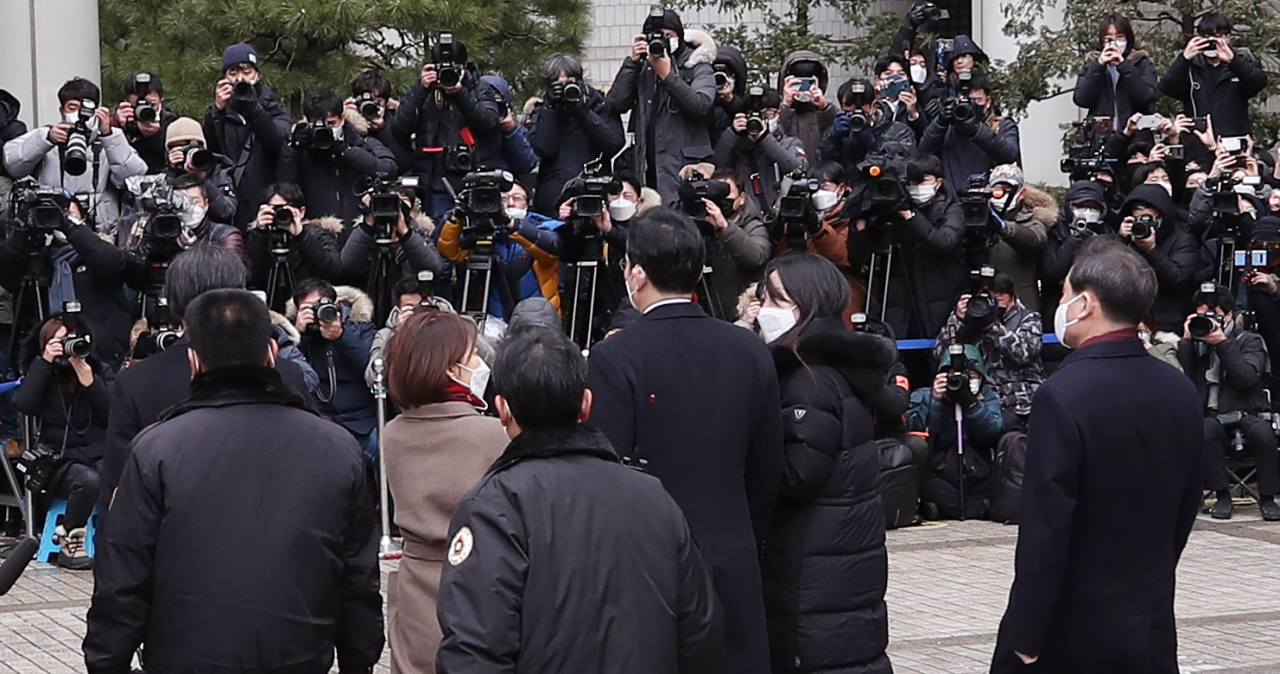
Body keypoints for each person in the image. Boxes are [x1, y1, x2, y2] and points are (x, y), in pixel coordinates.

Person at [84, 289, 383, 674]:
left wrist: (107, 662)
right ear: (272, 355)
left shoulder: (156, 448)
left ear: (194, 362)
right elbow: (358, 579)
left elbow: (121, 580)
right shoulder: (339, 448)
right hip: (300, 656)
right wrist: (360, 662)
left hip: (182, 659)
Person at [437, 327, 726, 673]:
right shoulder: (653, 496)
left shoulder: (495, 507)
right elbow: (701, 634)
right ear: (586, 404)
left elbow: (473, 652)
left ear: (504, 410)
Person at [991, 237, 1202, 672]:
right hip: (1148, 619)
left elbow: (1045, 529)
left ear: (1086, 304)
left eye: (1065, 293)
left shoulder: (1062, 394)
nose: (1061, 302)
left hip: (1072, 628)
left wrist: (1026, 631)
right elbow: (1187, 503)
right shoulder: (1179, 387)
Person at [587, 207, 783, 674]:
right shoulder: (749, 349)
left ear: (636, 273)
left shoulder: (614, 357)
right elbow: (767, 466)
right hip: (733, 548)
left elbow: (606, 474)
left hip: (647, 563)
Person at [96, 246, 313, 536]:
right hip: (277, 540)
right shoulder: (285, 373)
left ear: (173, 301)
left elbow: (117, 492)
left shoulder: (138, 382)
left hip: (172, 548)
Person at [757, 253, 893, 673]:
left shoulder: (807, 382)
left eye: (777, 299)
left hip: (810, 578)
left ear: (809, 304)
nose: (764, 310)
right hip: (840, 571)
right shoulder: (841, 374)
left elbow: (797, 475)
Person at [381, 308, 507, 674]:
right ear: (453, 369)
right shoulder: (493, 436)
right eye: (472, 356)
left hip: (414, 590)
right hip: (478, 589)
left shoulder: (393, 434)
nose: (481, 363)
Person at [13, 314, 109, 570]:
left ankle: (117, 544)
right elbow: (23, 404)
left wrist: (91, 384)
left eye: (71, 340)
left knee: (119, 476)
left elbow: (113, 415)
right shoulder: (43, 373)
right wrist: (45, 362)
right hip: (59, 460)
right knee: (87, 481)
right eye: (59, 341)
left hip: (97, 453)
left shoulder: (97, 370)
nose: (67, 346)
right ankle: (69, 543)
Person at [1176, 286, 1279, 521]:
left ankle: (1268, 498)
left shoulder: (1250, 340)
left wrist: (1223, 343)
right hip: (1213, 417)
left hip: (1248, 414)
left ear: (1230, 315)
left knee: (1265, 434)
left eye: (1214, 317)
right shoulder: (1197, 344)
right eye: (1202, 317)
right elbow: (1185, 383)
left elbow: (1246, 378)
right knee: (1205, 431)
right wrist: (1185, 341)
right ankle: (1222, 495)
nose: (1208, 323)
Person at [0, 196, 137, 369]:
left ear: (84, 221)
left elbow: (115, 262)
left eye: (68, 214)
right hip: (50, 356)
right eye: (54, 216)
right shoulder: (39, 261)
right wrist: (20, 234)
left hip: (102, 355)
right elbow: (6, 273)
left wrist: (69, 227)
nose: (59, 219)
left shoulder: (100, 253)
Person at [3, 77, 148, 236]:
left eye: (85, 108)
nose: (79, 114)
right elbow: (13, 163)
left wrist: (108, 135)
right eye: (72, 107)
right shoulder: (47, 136)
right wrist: (46, 139)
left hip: (101, 234)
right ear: (62, 110)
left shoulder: (109, 139)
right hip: (51, 231)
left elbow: (133, 179)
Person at [848, 155, 966, 339]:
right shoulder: (892, 209)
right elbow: (858, 257)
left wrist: (909, 216)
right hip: (900, 305)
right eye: (912, 181)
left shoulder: (951, 209)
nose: (918, 186)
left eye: (923, 180)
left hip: (938, 303)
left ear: (939, 182)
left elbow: (944, 242)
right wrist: (861, 222)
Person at [607, 10, 717, 203]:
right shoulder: (643, 66)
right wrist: (633, 64)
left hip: (685, 169)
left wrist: (668, 76)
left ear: (679, 37)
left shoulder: (697, 63)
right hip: (646, 167)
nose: (661, 41)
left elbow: (701, 105)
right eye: (654, 36)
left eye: (668, 35)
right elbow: (616, 103)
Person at [390, 35, 503, 224]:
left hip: (474, 178)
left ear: (465, 65)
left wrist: (459, 93)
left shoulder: (479, 88)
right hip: (436, 183)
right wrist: (421, 88)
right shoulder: (425, 91)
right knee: (439, 238)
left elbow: (489, 124)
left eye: (454, 68)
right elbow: (399, 126)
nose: (448, 73)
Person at [437, 180, 563, 322]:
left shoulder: (544, 225)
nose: (510, 203)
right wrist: (455, 216)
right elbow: (450, 252)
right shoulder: (482, 229)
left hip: (539, 317)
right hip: (493, 319)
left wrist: (509, 223)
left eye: (517, 198)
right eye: (503, 198)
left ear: (528, 203)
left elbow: (551, 250)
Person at [935, 271, 1045, 431]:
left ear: (1011, 296)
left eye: (998, 296)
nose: (992, 302)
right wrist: (958, 319)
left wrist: (991, 326)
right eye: (987, 296)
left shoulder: (1028, 319)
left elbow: (1023, 353)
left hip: (1022, 403)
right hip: (982, 401)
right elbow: (940, 354)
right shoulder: (971, 322)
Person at [907, 345, 1005, 520]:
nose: (960, 380)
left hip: (977, 473)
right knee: (924, 481)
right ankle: (974, 509)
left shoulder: (987, 396)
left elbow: (993, 432)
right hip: (940, 473)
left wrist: (972, 404)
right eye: (953, 375)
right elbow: (915, 434)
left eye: (969, 375)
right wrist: (936, 402)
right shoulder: (923, 395)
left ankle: (953, 509)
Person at [202, 43, 293, 229]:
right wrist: (217, 112)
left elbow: (275, 143)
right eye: (233, 72)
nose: (240, 78)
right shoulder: (218, 115)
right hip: (232, 205)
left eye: (246, 71)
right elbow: (211, 153)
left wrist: (253, 108)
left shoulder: (276, 110)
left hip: (266, 200)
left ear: (257, 75)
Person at [291, 279, 378, 468]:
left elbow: (371, 368)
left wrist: (341, 337)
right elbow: (291, 374)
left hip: (362, 424)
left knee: (386, 456)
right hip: (319, 426)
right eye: (308, 308)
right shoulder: (291, 337)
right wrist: (299, 335)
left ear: (336, 305)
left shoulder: (360, 327)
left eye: (319, 306)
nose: (316, 313)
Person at [278, 90, 398, 225]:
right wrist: (294, 149)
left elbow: (388, 169)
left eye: (331, 124)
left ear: (342, 118)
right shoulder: (301, 152)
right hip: (318, 232)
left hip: (358, 231)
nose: (326, 130)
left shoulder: (361, 141)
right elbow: (285, 188)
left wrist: (344, 151)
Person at [529, 53, 626, 218]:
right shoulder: (543, 112)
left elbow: (613, 144)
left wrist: (583, 113)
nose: (564, 87)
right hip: (554, 202)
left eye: (569, 81)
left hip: (594, 197)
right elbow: (543, 150)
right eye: (556, 83)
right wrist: (551, 109)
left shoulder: (599, 105)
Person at [1159, 12, 1268, 139]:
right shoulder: (1191, 66)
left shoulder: (1240, 62)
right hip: (1199, 140)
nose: (1212, 42)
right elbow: (1166, 87)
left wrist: (1233, 60)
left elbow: (1259, 82)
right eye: (1206, 37)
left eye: (1218, 36)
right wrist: (1184, 59)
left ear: (1228, 38)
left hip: (1232, 140)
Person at [245, 183, 343, 312]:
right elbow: (248, 276)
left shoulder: (318, 234)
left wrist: (301, 236)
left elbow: (332, 271)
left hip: (306, 309)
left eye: (285, 209)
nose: (279, 214)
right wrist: (259, 233)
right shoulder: (259, 236)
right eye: (274, 209)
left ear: (302, 212)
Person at [1117, 184, 1200, 332]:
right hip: (1127, 321)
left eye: (1147, 219)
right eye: (1137, 220)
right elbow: (1108, 273)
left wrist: (1151, 250)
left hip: (1166, 324)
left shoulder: (1183, 241)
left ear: (1162, 216)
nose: (1143, 225)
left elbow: (1177, 279)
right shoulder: (1126, 240)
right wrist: (1121, 239)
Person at [919, 70, 1020, 190]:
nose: (970, 106)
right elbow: (923, 154)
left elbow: (1009, 154)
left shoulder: (1001, 125)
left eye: (977, 100)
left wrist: (976, 129)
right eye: (965, 101)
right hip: (950, 201)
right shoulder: (947, 128)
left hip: (988, 198)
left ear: (988, 102)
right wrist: (940, 122)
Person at [712, 87, 807, 214]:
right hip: (745, 219)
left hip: (780, 217)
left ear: (778, 113)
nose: (762, 119)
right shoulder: (736, 146)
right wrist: (732, 132)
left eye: (768, 113)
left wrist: (763, 138)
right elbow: (717, 166)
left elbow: (798, 168)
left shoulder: (788, 143)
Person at [699, 168, 771, 321]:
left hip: (741, 315)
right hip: (709, 313)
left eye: (727, 194)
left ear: (742, 198)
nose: (721, 201)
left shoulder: (753, 225)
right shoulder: (703, 223)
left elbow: (756, 257)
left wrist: (725, 227)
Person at [1072, 14, 1160, 129]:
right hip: (1102, 138)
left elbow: (1147, 96)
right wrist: (1098, 66)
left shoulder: (1141, 63)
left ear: (1128, 39)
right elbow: (1082, 99)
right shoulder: (1092, 65)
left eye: (1119, 37)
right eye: (1109, 38)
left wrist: (1124, 66)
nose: (1114, 43)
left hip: (1135, 138)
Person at [986, 164, 1051, 311]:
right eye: (997, 190)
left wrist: (1003, 228)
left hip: (1021, 305)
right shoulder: (977, 217)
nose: (1001, 195)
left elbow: (1036, 241)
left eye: (1007, 190)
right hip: (985, 302)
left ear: (1021, 193)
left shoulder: (1032, 220)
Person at [820, 77, 915, 173]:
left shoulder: (899, 132)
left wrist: (874, 147)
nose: (856, 113)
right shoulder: (834, 132)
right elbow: (823, 170)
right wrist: (833, 142)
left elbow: (905, 169)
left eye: (862, 107)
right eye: (849, 107)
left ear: (874, 106)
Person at [162, 117, 238, 226]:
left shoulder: (218, 172)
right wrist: (172, 172)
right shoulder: (165, 176)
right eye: (179, 149)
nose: (186, 153)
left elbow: (227, 212)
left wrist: (202, 179)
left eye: (189, 147)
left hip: (210, 235)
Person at [346, 69, 414, 174]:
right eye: (363, 101)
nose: (369, 106)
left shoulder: (396, 122)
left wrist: (383, 130)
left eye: (377, 102)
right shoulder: (344, 122)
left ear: (386, 103)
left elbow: (405, 164)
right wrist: (345, 118)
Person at [777, 50, 838, 161]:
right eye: (798, 82)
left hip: (822, 174)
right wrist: (785, 105)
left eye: (808, 82)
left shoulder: (826, 113)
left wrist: (824, 107)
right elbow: (774, 137)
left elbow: (835, 136)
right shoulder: (778, 111)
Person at [113, 71, 178, 174]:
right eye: (137, 105)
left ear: (161, 100)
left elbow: (173, 159)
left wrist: (155, 136)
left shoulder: (173, 123)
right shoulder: (120, 121)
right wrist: (117, 126)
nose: (145, 109)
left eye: (151, 104)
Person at [477, 75, 539, 177]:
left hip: (506, 185)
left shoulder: (517, 131)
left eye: (496, 104)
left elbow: (526, 165)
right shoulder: (463, 129)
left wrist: (510, 131)